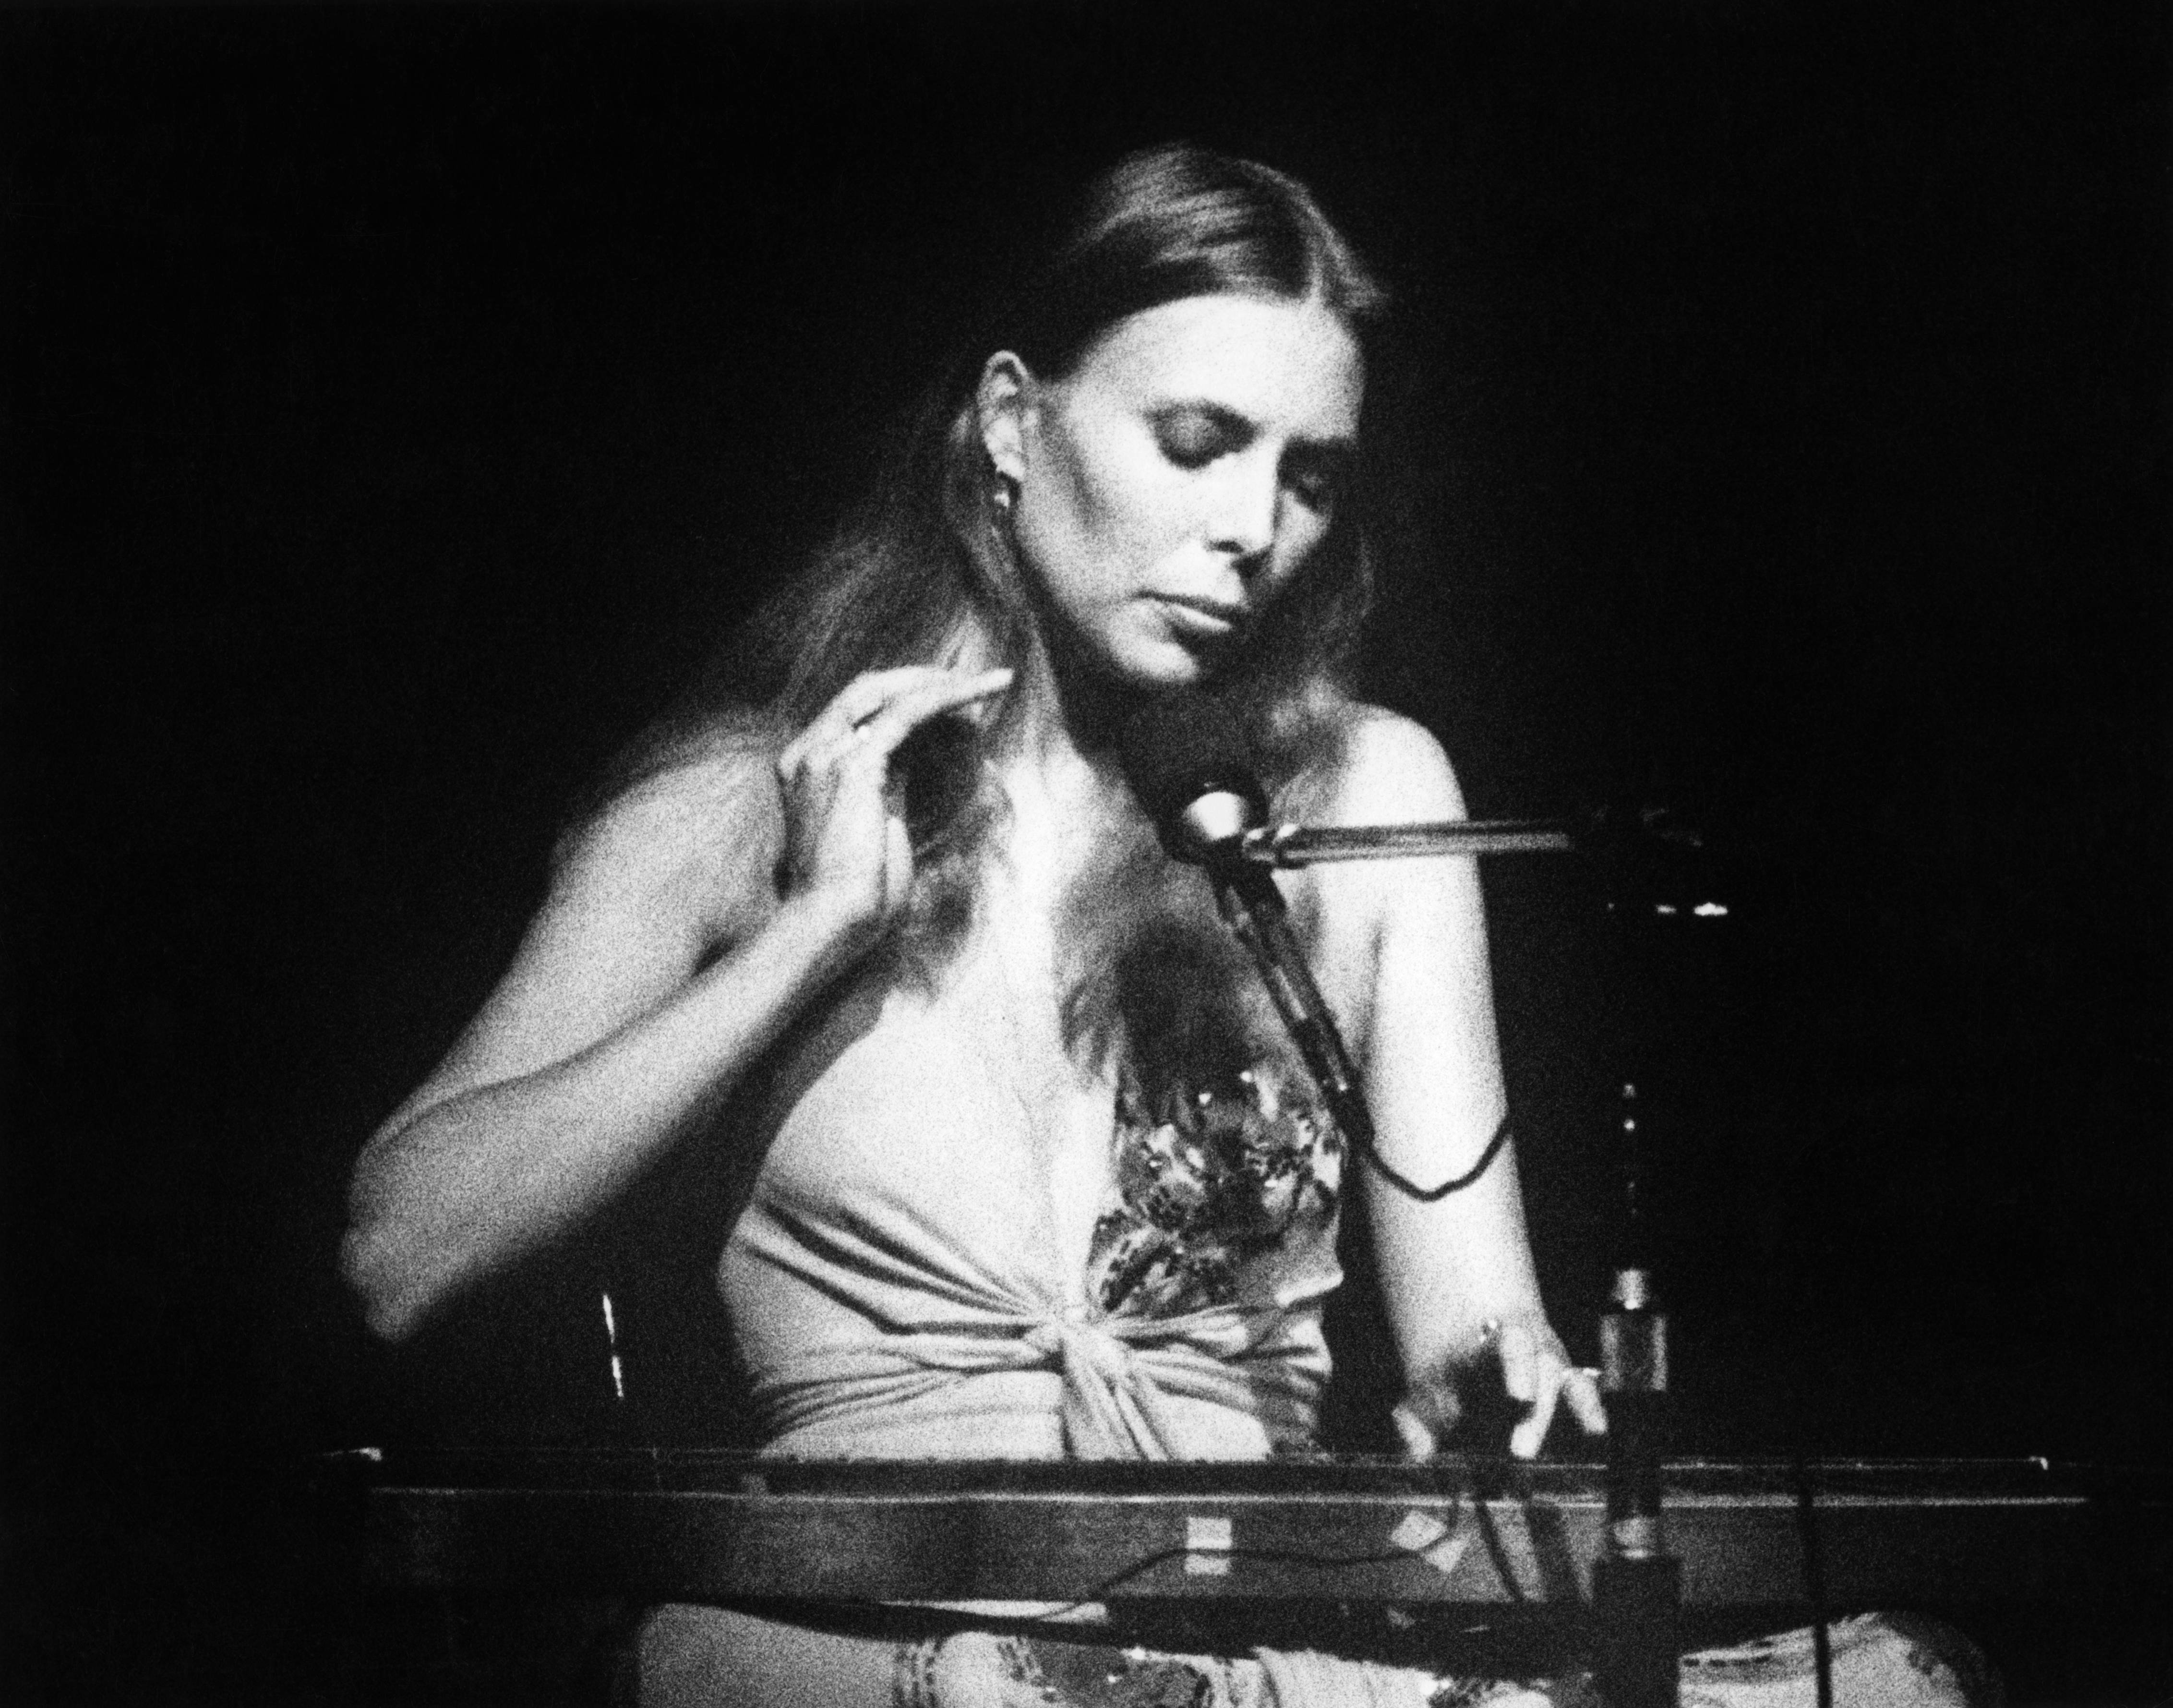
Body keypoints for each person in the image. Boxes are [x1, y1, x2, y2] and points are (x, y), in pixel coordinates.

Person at [342, 146, 1992, 1708]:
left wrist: (1504, 1382)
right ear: (1009, 424)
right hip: (884, 1653)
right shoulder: (747, 804)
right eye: (1197, 442)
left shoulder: (1368, 801)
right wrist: (809, 934)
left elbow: (1469, 1324)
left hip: (1243, 1640)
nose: (1251, 529)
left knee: (1896, 1677)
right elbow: (400, 1256)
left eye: (1311, 478)